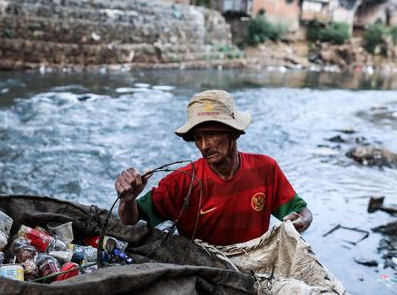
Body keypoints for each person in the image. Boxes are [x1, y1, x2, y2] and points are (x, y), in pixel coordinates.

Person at [114, 90, 312, 246]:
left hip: (256, 265)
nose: (203, 146)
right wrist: (128, 200)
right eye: (197, 138)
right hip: (204, 272)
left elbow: (301, 211)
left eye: (210, 134)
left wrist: (300, 222)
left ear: (234, 133)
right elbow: (130, 219)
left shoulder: (265, 169)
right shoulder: (182, 182)